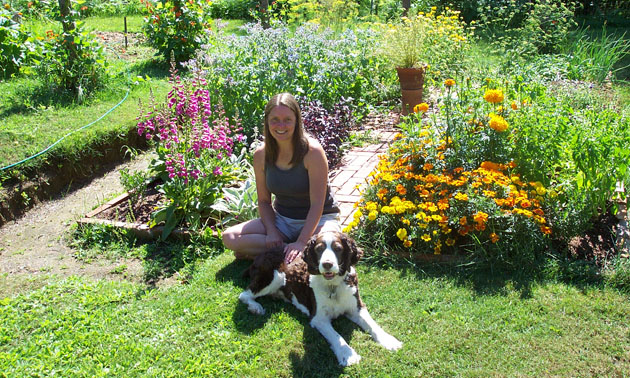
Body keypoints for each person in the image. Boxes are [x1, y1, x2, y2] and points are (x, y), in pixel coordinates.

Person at [222, 93, 341, 264]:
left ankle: (278, 251)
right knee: (230, 237)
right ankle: (291, 251)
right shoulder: (261, 154)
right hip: (283, 221)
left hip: (320, 219)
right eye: (275, 119)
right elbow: (264, 201)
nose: (281, 125)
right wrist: (272, 232)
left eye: (287, 119)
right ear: (267, 122)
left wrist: (301, 241)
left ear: (297, 121)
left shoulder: (312, 152)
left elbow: (317, 205)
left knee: (325, 248)